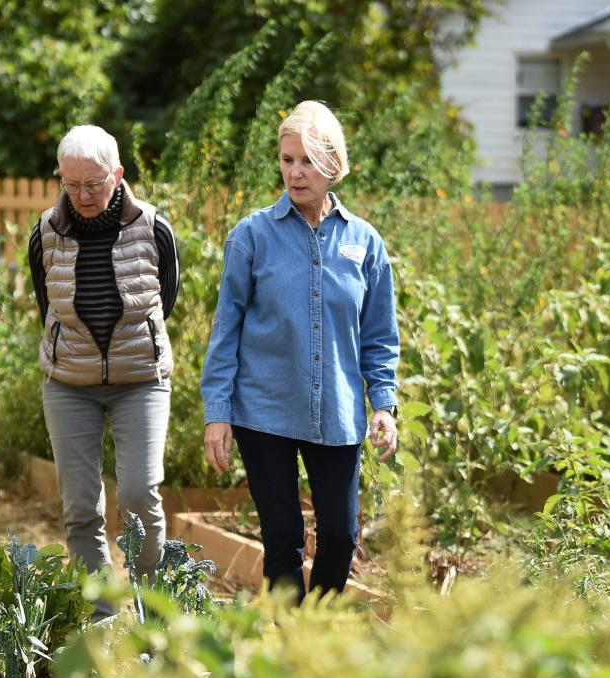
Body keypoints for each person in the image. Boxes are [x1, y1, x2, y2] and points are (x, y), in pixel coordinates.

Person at [200, 100, 400, 603]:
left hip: (336, 411)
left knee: (340, 535)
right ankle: (291, 649)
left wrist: (384, 404)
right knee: (283, 540)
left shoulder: (364, 244)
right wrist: (217, 413)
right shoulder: (252, 237)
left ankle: (318, 632)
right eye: (287, 160)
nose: (294, 172)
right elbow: (226, 331)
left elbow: (379, 335)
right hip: (263, 410)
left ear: (332, 165)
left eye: (307, 161)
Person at [29, 124, 180, 613]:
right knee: (80, 507)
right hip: (69, 384)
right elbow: (46, 304)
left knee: (138, 493)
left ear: (118, 175)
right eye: (70, 185)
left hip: (141, 380)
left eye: (93, 184)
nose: (82, 195)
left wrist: (124, 351)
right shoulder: (46, 232)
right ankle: (104, 617)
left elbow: (165, 298)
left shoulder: (152, 227)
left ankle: (151, 611)